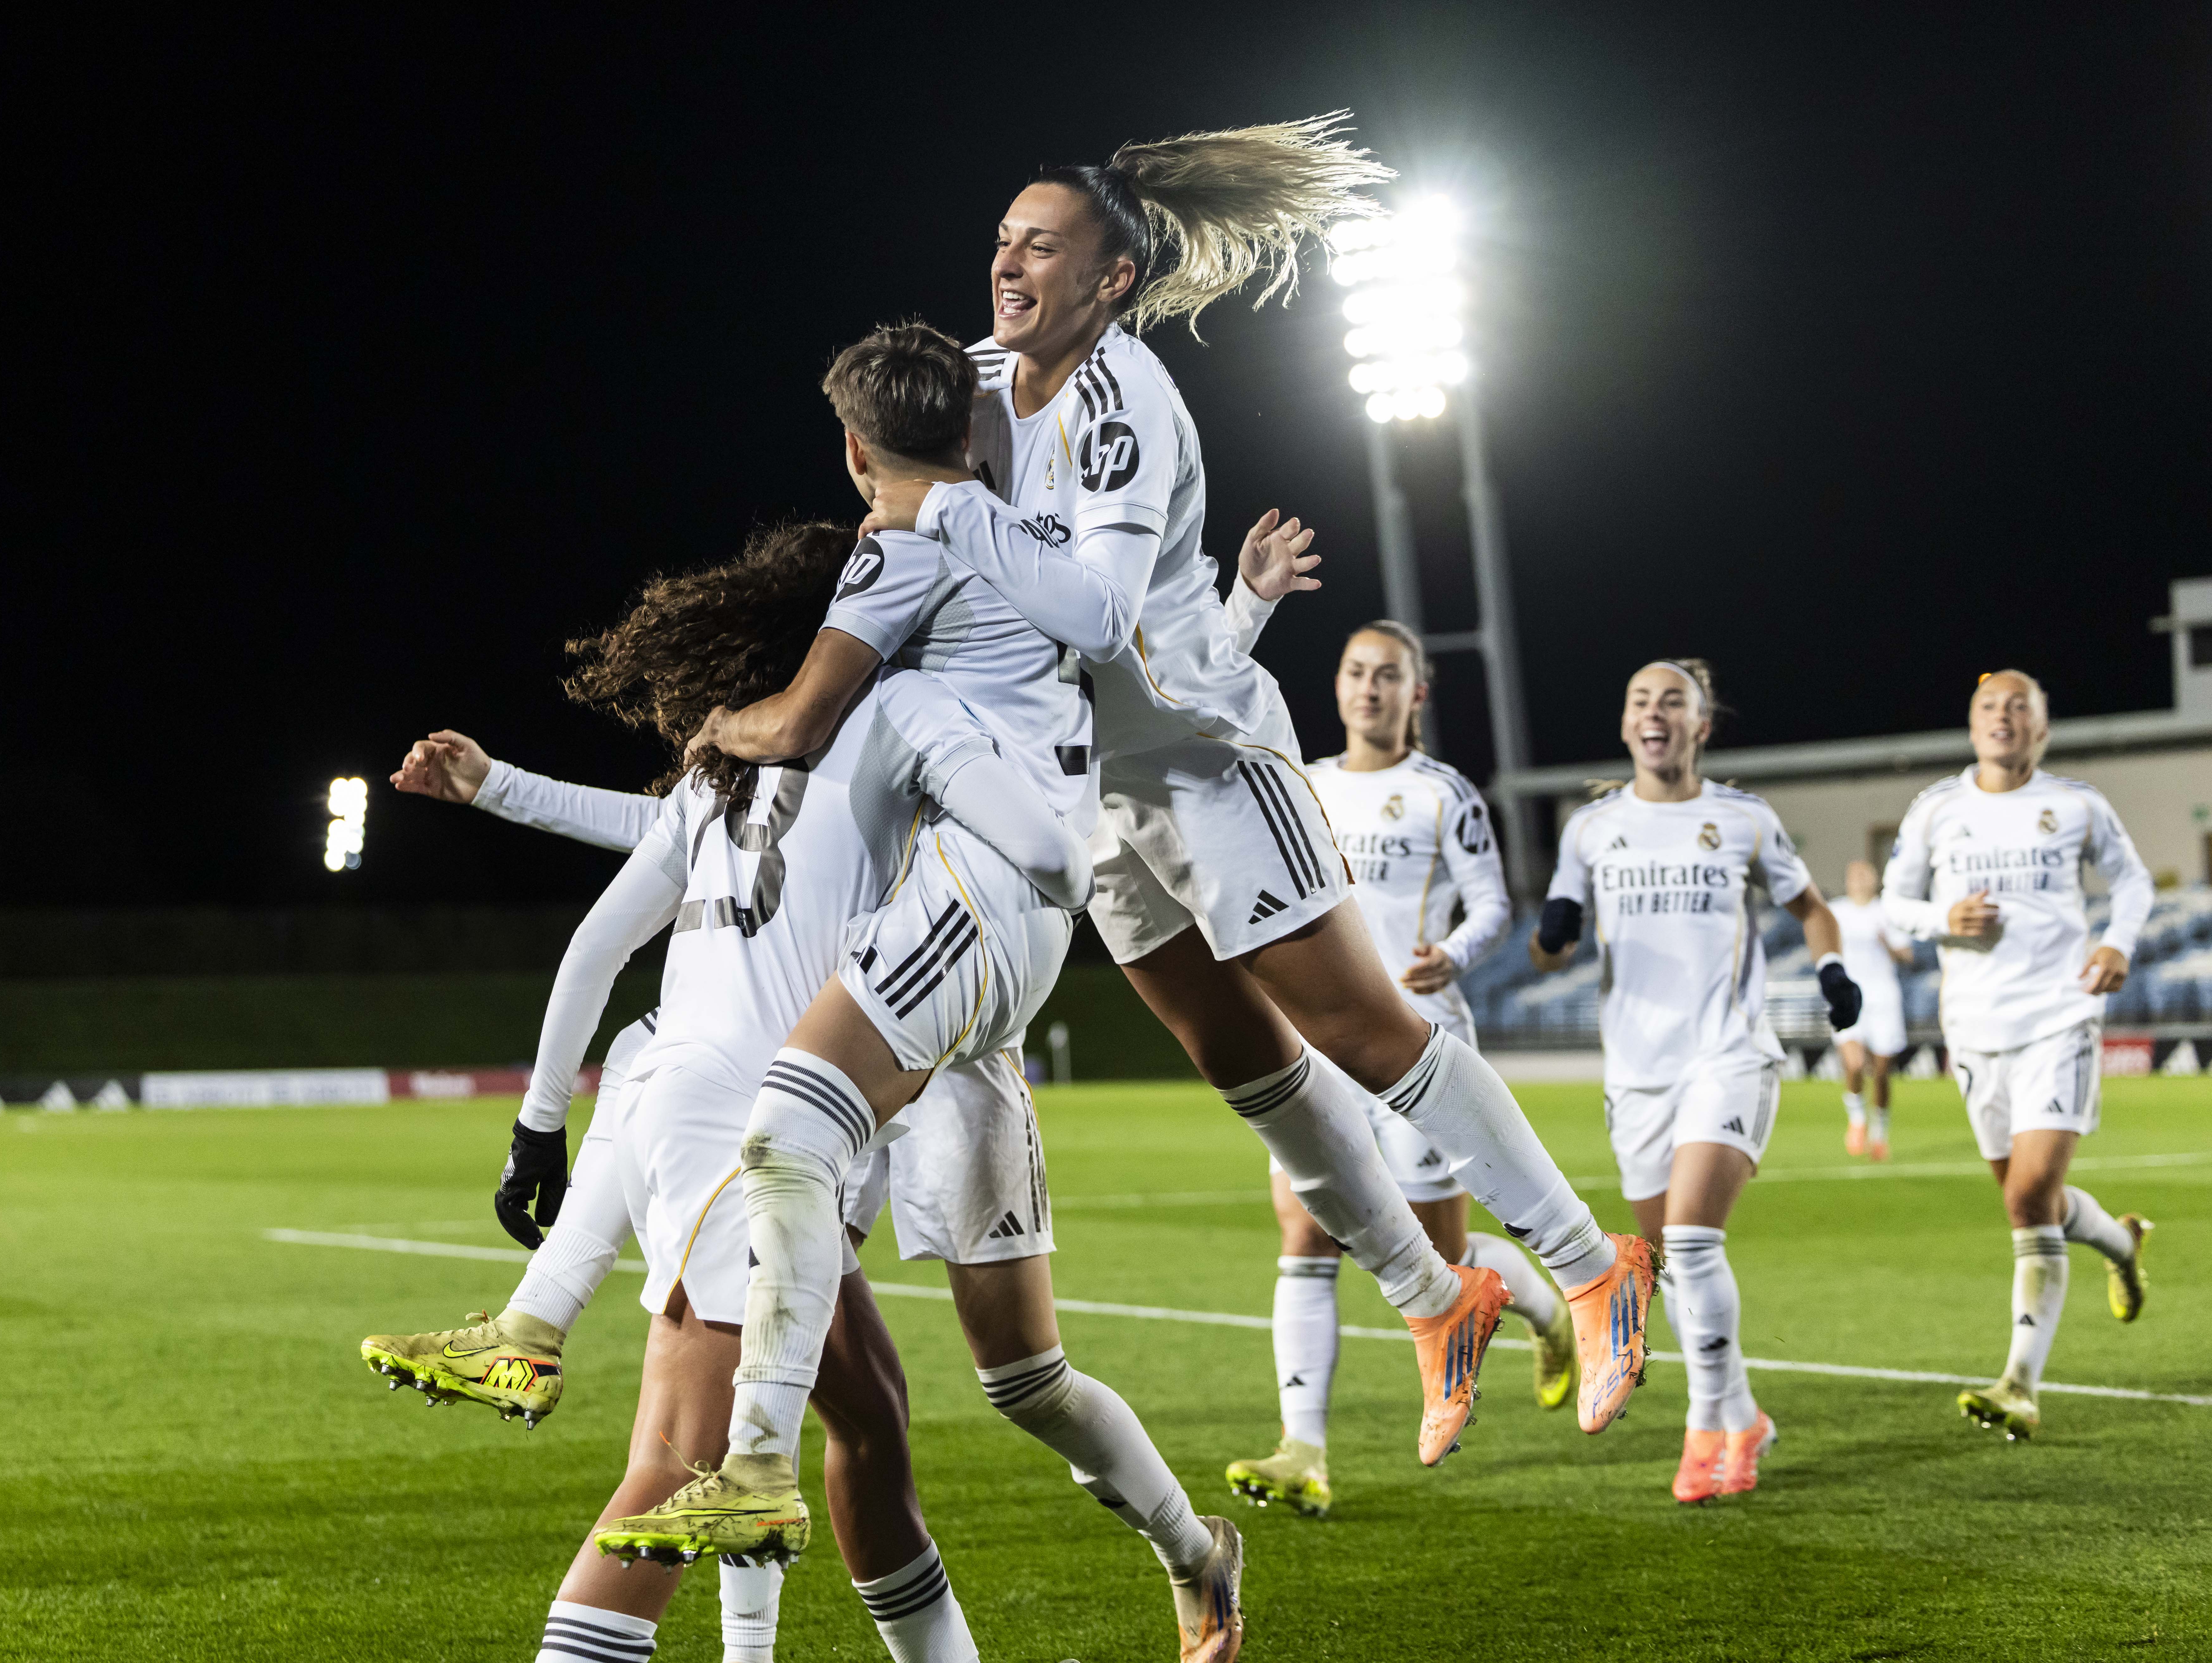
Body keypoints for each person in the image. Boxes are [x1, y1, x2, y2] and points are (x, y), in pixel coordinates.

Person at [857, 114, 1653, 1443]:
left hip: (1204, 756)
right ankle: (1430, 1293)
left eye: (1040, 244)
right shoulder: (977, 385)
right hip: (1090, 791)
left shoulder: (1124, 401)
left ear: (1111, 281)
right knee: (1247, 1070)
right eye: (1002, 239)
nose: (1009, 262)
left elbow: (1102, 614)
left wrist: (941, 526)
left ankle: (1590, 1264)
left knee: (1362, 1030)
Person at [592, 323, 1247, 1663]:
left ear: (850, 449)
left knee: (785, 1124)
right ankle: (1198, 1550)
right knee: (1016, 1376)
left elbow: (801, 721)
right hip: (976, 989)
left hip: (962, 925)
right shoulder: (1047, 546)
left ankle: (753, 1468)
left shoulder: (897, 552)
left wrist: (723, 728)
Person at [365, 520, 1084, 1663]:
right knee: (675, 1464)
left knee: (872, 1417)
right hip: (740, 1140)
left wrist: (538, 1123)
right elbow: (1042, 845)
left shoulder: (717, 782)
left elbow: (595, 942)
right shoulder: (894, 740)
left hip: (669, 1108)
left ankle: (534, 1321)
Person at [1221, 617, 1574, 1520]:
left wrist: (1452, 953)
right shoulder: (1303, 785)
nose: (1369, 689)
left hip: (1416, 1041)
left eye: (1389, 676)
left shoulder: (1443, 793)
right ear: (1337, 687)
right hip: (1314, 1052)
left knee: (1440, 1258)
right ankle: (1304, 1450)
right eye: (1355, 673)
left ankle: (1548, 1310)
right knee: (1304, 1236)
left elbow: (1495, 904)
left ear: (1418, 693)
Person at [1530, 660, 1862, 1504]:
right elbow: (1549, 942)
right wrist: (1555, 931)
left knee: (1695, 1241)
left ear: (1701, 725)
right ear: (1626, 724)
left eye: (1673, 700)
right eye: (1640, 698)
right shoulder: (1590, 828)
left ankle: (1707, 1431)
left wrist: (1831, 969)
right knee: (1674, 1266)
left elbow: (1812, 906)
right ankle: (1742, 1411)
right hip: (1638, 1075)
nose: (1656, 712)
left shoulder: (1743, 818)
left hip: (1730, 1055)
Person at [1878, 670, 2156, 1441]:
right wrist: (1942, 915)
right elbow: (1894, 902)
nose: (2003, 716)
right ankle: (2121, 1241)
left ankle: (2019, 1384)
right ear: (1972, 725)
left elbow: (2132, 883)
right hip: (1972, 1026)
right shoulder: (1935, 809)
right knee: (2032, 1202)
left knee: (2028, 1197)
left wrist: (2115, 940)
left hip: (2060, 1013)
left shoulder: (2075, 804)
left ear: (2042, 727)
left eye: (2018, 706)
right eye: (1988, 706)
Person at [1827, 860, 1914, 1160]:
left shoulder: (1886, 912)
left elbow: (1908, 956)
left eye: (1867, 874)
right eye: (1856, 875)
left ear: (1875, 879)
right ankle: (1857, 1121)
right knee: (1853, 1065)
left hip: (1884, 998)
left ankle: (1880, 1134)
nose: (1861, 880)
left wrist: (1888, 944)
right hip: (1849, 996)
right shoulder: (1837, 911)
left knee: (1880, 1072)